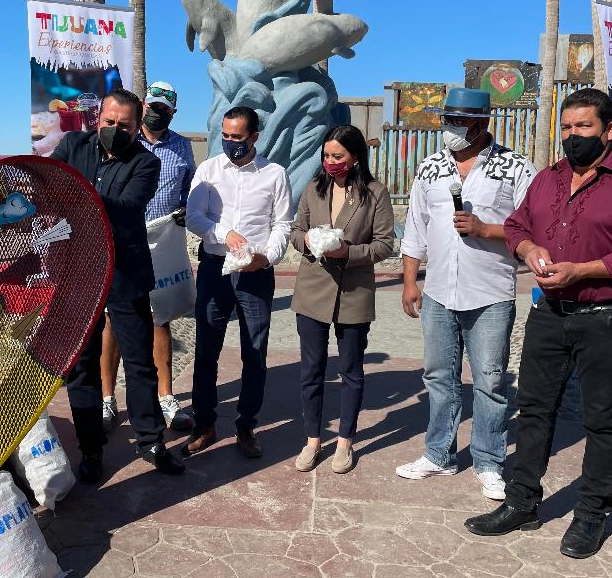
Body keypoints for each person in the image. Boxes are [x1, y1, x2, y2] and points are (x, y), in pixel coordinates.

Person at [465, 88, 612, 559]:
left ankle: (591, 515)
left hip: (608, 317)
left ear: (609, 131)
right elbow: (517, 226)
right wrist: (528, 250)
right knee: (535, 411)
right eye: (566, 127)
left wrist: (585, 269)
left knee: (602, 421)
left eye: (583, 128)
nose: (572, 136)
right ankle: (522, 503)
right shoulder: (547, 179)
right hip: (550, 314)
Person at [397, 87, 535, 500]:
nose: (450, 128)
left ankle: (489, 461)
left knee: (491, 382)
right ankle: (439, 454)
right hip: (438, 291)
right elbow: (416, 227)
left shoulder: (516, 168)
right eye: (447, 119)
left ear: (483, 123)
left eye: (459, 121)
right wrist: (409, 280)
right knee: (439, 377)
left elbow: (531, 228)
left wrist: (485, 230)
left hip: (490, 292)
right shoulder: (430, 168)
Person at [50, 89, 185, 479]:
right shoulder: (73, 145)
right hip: (77, 274)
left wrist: (77, 196)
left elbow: (128, 208)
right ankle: (91, 450)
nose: (115, 129)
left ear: (136, 124)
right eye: (109, 122)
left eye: (124, 125)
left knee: (140, 363)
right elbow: (49, 187)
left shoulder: (145, 162)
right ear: (98, 118)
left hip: (125, 273)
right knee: (82, 365)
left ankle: (151, 442)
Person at [184, 107, 292, 459]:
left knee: (255, 352)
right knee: (206, 351)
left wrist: (268, 257)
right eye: (226, 136)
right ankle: (205, 424)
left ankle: (246, 426)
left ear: (254, 137)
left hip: (256, 275)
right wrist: (221, 232)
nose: (230, 143)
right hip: (215, 270)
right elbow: (193, 215)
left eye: (238, 137)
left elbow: (282, 224)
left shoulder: (274, 174)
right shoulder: (209, 170)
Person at [289, 125, 394, 474]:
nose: (331, 162)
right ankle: (312, 440)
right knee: (311, 371)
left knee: (350, 370)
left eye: (338, 156)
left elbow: (384, 244)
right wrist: (307, 242)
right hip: (313, 291)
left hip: (353, 292)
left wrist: (348, 251)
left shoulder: (375, 193)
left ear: (355, 157)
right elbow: (295, 230)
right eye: (326, 156)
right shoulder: (312, 189)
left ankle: (346, 441)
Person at [99, 81, 195, 433]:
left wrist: (186, 208)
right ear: (142, 106)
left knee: (160, 318)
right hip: (123, 242)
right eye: (152, 106)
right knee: (114, 320)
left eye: (164, 109)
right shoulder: (123, 141)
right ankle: (108, 399)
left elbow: (189, 190)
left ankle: (165, 397)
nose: (157, 113)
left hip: (162, 240)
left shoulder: (182, 147)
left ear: (172, 112)